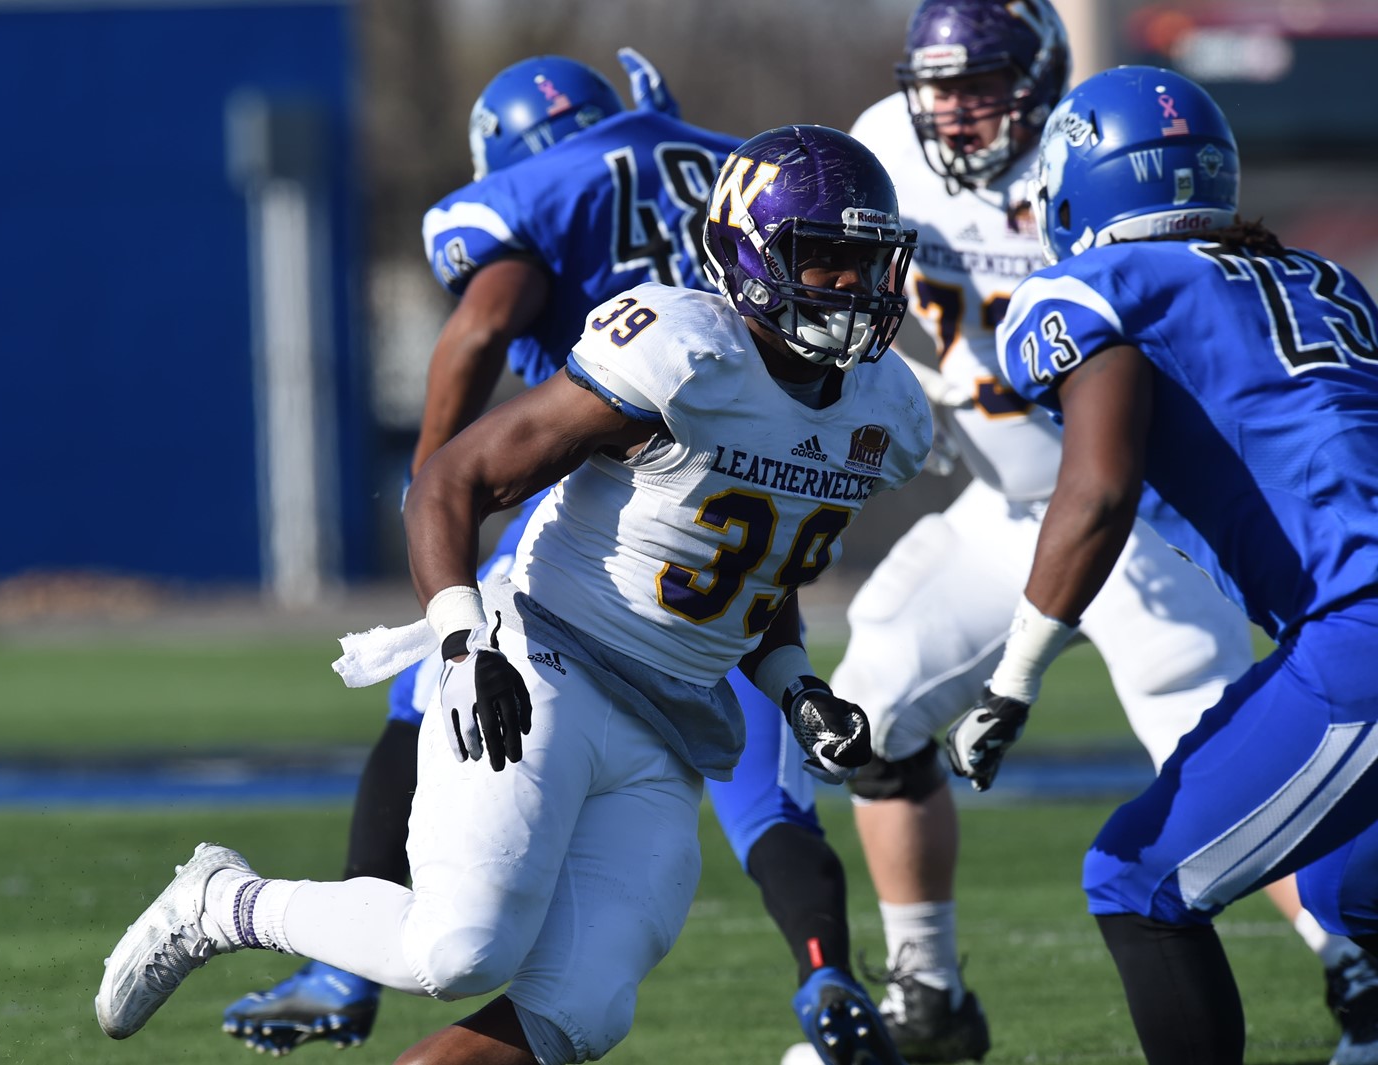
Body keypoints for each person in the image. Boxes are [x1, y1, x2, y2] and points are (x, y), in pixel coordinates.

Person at [95, 123, 933, 1065]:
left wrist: (797, 687)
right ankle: (223, 901)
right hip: (548, 665)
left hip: (673, 722)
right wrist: (464, 640)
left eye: (867, 262)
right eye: (823, 258)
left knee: (581, 1007)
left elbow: (758, 571)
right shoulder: (684, 351)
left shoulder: (886, 407)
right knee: (458, 949)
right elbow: (452, 480)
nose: (851, 286)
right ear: (749, 255)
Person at [813, 5, 1373, 1063]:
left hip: (1317, 617)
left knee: (1145, 861)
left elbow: (1101, 484)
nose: (957, 109)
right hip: (1044, 525)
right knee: (1352, 886)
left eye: (982, 85)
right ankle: (926, 992)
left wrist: (1014, 682)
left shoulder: (1091, 284)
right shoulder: (1321, 279)